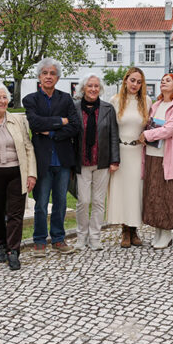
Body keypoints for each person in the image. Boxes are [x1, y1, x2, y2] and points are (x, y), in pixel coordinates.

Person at [23, 58, 80, 257]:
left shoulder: (66, 99)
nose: (48, 76)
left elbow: (74, 126)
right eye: (45, 73)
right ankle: (39, 240)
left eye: (52, 73)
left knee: (61, 202)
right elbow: (35, 124)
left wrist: (53, 132)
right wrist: (60, 121)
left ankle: (58, 239)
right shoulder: (30, 99)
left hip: (63, 160)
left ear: (57, 77)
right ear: (39, 77)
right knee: (40, 202)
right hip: (42, 160)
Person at [0, 84, 36, 270]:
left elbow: (28, 147)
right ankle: (1, 246)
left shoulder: (18, 120)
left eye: (5, 97)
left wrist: (31, 174)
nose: (3, 101)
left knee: (15, 214)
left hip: (16, 173)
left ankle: (14, 251)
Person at [139, 73, 173, 249]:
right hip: (152, 153)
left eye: (167, 80)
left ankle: (166, 233)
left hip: (168, 156)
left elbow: (170, 129)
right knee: (154, 194)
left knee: (168, 194)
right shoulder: (156, 104)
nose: (163, 83)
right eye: (161, 81)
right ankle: (158, 231)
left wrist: (147, 134)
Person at [105, 67, 152, 247]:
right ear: (125, 80)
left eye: (139, 82)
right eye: (132, 80)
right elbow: (109, 129)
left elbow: (151, 126)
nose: (135, 85)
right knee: (122, 192)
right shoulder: (115, 101)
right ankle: (124, 229)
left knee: (136, 192)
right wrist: (111, 157)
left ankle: (134, 229)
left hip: (138, 152)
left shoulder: (146, 101)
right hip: (121, 152)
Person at [73, 74, 119, 250]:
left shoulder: (108, 109)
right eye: (90, 86)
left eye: (96, 86)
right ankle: (81, 236)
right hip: (81, 161)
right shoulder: (75, 108)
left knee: (99, 201)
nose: (93, 89)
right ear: (83, 88)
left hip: (102, 161)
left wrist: (115, 159)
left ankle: (95, 237)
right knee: (83, 201)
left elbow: (114, 135)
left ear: (100, 89)